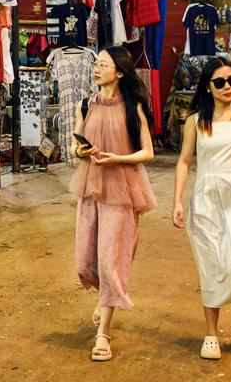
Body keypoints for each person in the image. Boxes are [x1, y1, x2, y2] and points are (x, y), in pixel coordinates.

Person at [173, 57, 231, 360]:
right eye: (219, 82)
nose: (228, 86)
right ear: (207, 86)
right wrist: (177, 200)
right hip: (207, 200)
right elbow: (185, 161)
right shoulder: (196, 120)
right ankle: (211, 332)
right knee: (212, 265)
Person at [70, 45, 156, 362]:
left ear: (119, 72)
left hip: (122, 188)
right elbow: (74, 145)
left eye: (103, 64)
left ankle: (103, 333)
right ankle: (105, 294)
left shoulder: (133, 109)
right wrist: (81, 152)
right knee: (84, 263)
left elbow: (147, 153)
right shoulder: (85, 105)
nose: (96, 68)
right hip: (90, 186)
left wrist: (117, 158)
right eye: (96, 63)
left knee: (110, 261)